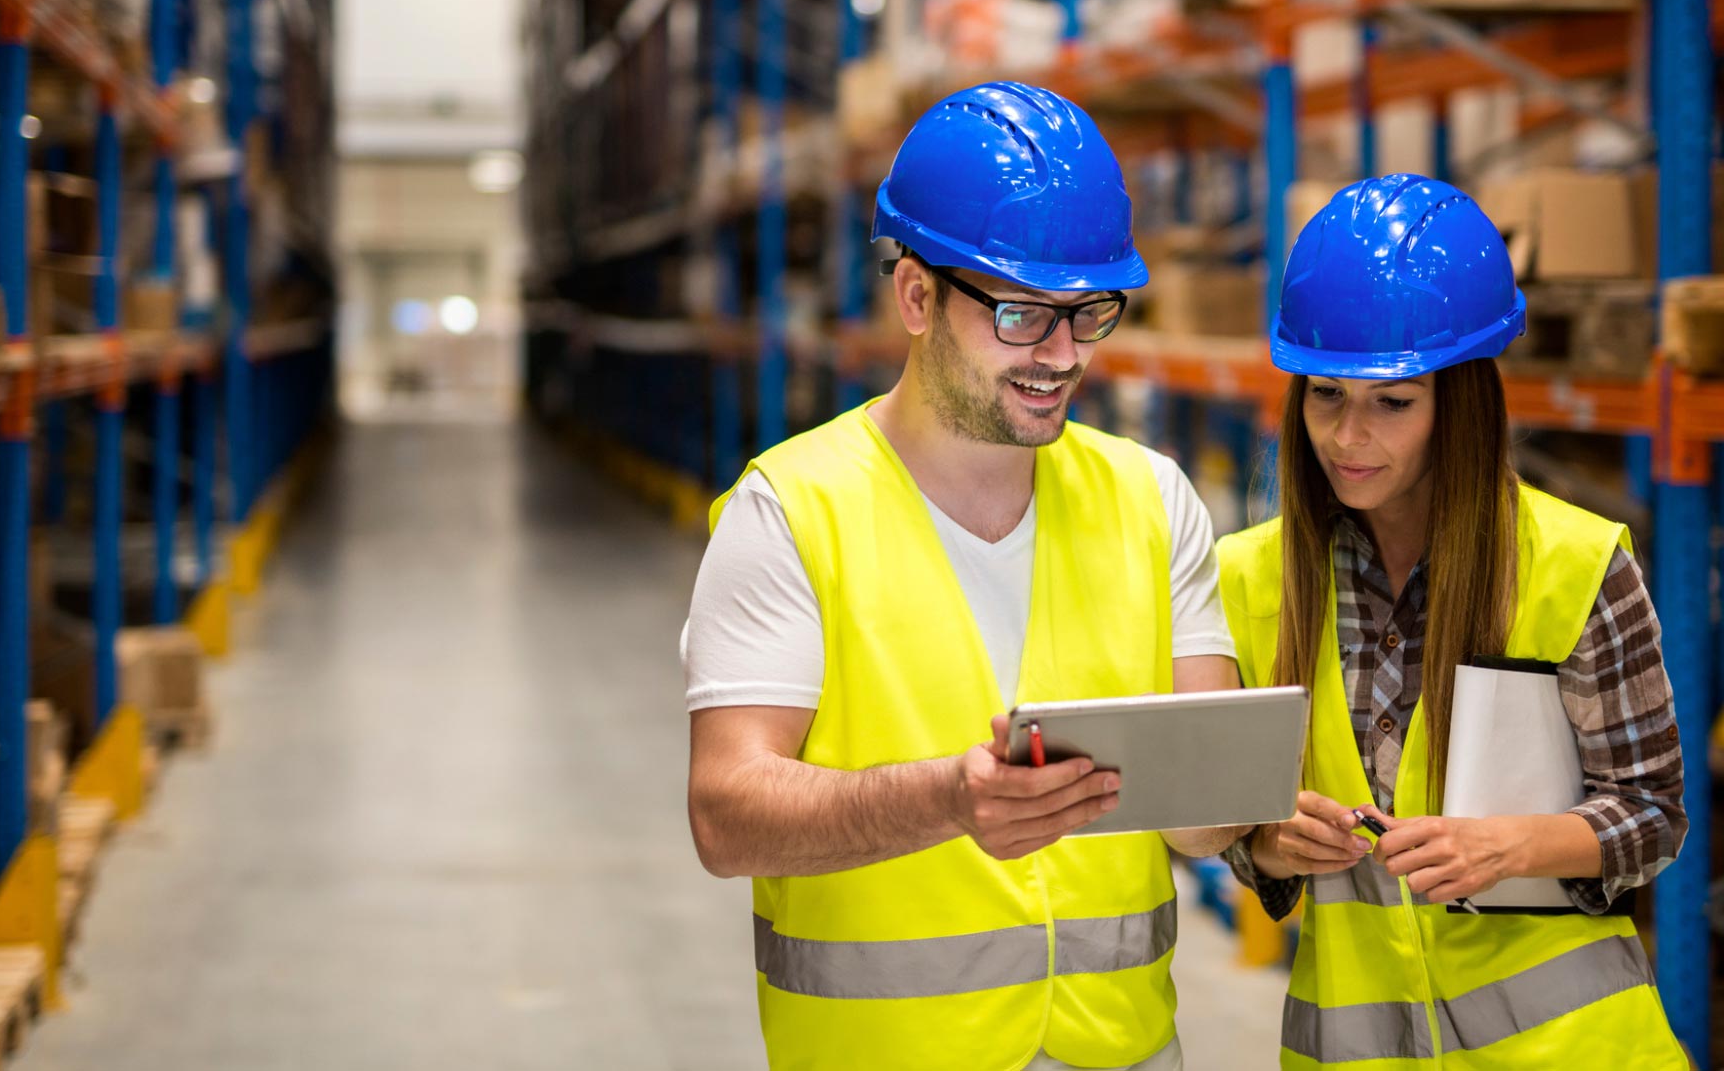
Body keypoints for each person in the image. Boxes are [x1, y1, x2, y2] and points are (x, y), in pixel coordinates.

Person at [683, 80, 1245, 1071]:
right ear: (915, 297)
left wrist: (1263, 802)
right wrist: (946, 799)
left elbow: (1207, 820)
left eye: (1088, 313)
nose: (1062, 356)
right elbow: (726, 815)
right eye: (1022, 314)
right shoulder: (790, 512)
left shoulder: (1149, 499)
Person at [1217, 174, 1688, 1068]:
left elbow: (1652, 816)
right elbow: (1236, 839)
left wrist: (1508, 846)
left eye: (1392, 403)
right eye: (1324, 395)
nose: (1348, 438)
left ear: (1459, 404)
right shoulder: (1249, 578)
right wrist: (1273, 846)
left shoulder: (1572, 563)